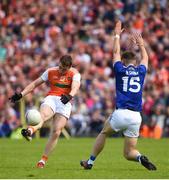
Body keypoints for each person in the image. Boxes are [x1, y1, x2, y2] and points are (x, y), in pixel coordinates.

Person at [80, 21, 157, 171]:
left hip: (121, 113)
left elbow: (115, 52)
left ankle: (90, 162)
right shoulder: (141, 71)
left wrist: (116, 35)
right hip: (136, 117)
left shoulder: (120, 70)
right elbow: (146, 59)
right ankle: (140, 157)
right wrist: (141, 44)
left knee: (104, 132)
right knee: (129, 153)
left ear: (123, 62)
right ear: (135, 63)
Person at [9, 55, 81, 168]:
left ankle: (42, 160)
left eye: (64, 69)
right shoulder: (50, 71)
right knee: (43, 116)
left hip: (65, 101)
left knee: (57, 131)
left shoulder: (75, 73)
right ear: (59, 63)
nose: (62, 71)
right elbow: (35, 84)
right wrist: (21, 94)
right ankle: (30, 130)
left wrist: (70, 96)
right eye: (61, 67)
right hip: (52, 98)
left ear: (70, 67)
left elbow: (75, 87)